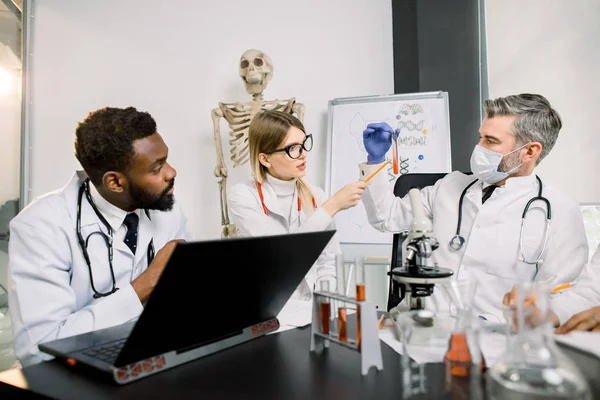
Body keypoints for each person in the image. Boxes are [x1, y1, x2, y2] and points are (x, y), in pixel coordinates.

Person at [359, 93, 589, 321]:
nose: (478, 147)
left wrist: (495, 324)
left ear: (529, 151)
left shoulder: (559, 210)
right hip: (418, 324)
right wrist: (376, 161)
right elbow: (386, 217)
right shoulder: (451, 185)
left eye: (490, 141)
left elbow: (560, 294)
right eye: (480, 137)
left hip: (496, 337)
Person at [8, 107, 189, 367]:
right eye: (156, 168)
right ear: (115, 182)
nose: (171, 172)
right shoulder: (40, 226)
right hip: (67, 373)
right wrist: (145, 285)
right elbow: (40, 349)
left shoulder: (164, 205)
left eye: (166, 160)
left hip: (147, 358)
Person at [227, 110, 366, 299]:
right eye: (292, 148)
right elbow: (280, 254)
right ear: (265, 159)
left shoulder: (316, 195)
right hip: (266, 305)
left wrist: (324, 302)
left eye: (303, 144)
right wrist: (332, 206)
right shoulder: (243, 196)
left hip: (312, 306)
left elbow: (328, 260)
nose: (303, 154)